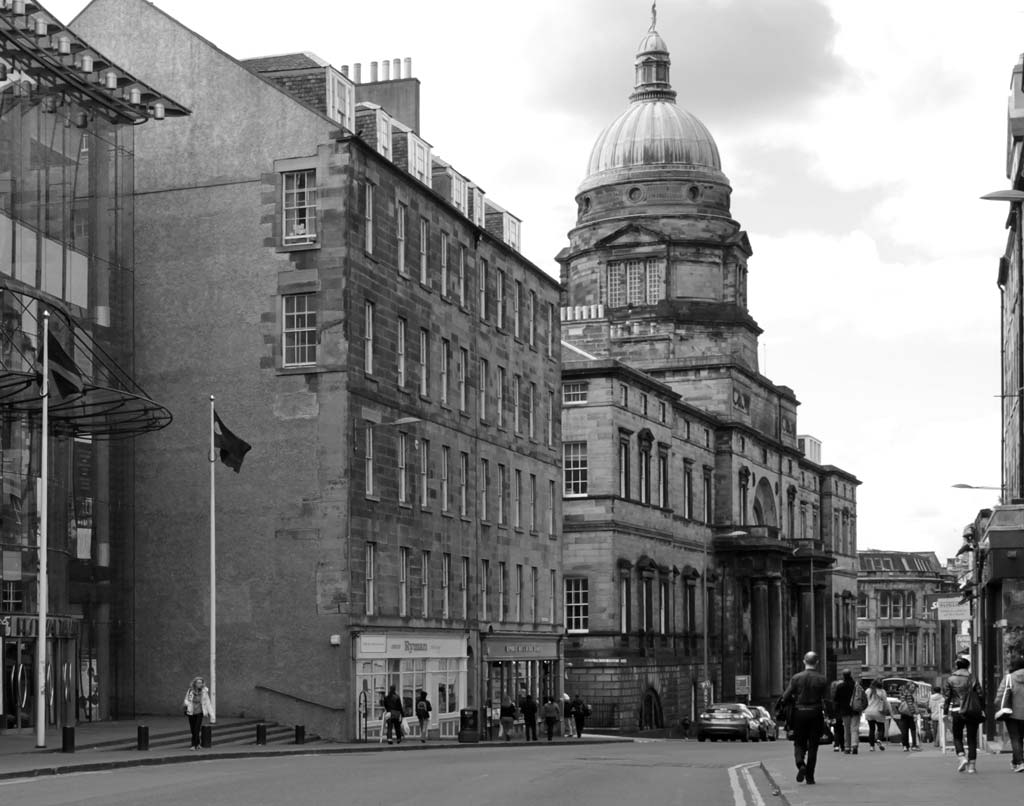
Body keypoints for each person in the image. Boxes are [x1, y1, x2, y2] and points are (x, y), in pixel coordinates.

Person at [779, 651, 830, 786]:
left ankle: (800, 764)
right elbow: (827, 699)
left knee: (799, 742)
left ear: (804, 661)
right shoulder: (822, 679)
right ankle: (810, 777)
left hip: (799, 713)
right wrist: (830, 716)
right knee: (813, 746)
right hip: (815, 713)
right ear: (817, 662)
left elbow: (785, 697)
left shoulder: (796, 678)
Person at [944, 656, 985, 773]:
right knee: (972, 738)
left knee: (957, 736)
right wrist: (982, 708)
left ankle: (961, 757)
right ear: (968, 666)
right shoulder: (972, 677)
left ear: (957, 666)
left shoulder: (950, 679)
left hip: (957, 710)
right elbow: (981, 695)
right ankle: (972, 766)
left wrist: (945, 712)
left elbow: (947, 697)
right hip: (972, 710)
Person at [995, 655, 1024, 771]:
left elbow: (1000, 695)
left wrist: (997, 704)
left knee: (1015, 738)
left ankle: (1020, 762)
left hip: (1011, 713)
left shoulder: (1009, 678)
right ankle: (1015, 761)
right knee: (1020, 738)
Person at [182, 675, 213, 750]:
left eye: (201, 683)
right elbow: (186, 699)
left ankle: (193, 745)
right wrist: (186, 703)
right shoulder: (190, 691)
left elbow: (207, 702)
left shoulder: (204, 691)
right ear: (195, 683)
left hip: (200, 712)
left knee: (196, 728)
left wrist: (211, 714)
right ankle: (198, 743)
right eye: (198, 683)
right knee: (193, 729)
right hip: (191, 712)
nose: (200, 684)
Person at [833, 669, 858, 754]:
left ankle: (847, 747)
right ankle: (854, 745)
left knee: (846, 729)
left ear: (843, 675)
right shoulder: (855, 685)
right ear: (851, 674)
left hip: (845, 710)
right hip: (855, 709)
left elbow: (836, 699)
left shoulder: (840, 686)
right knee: (854, 728)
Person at [863, 679, 891, 751]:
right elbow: (885, 702)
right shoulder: (882, 691)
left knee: (871, 729)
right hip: (879, 712)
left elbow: (864, 701)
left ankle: (871, 747)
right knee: (881, 728)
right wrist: (889, 711)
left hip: (869, 711)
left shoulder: (868, 691)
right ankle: (878, 739)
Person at [897, 682, 921, 751]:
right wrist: (914, 714)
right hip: (910, 714)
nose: (913, 689)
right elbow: (910, 704)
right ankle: (914, 745)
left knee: (904, 730)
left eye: (914, 687)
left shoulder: (903, 693)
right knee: (913, 730)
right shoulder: (909, 694)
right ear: (908, 687)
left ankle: (905, 746)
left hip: (903, 714)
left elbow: (902, 702)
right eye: (912, 687)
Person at [828, 677, 844, 753]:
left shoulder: (831, 695)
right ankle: (842, 745)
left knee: (837, 730)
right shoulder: (841, 694)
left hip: (834, 714)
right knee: (841, 730)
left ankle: (837, 745)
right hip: (841, 714)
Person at [928, 685, 946, 750]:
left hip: (933, 715)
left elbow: (929, 707)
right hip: (940, 715)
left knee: (934, 729)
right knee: (940, 729)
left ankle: (935, 742)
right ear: (940, 691)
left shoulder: (931, 698)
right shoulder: (942, 699)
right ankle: (938, 742)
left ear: (934, 691)